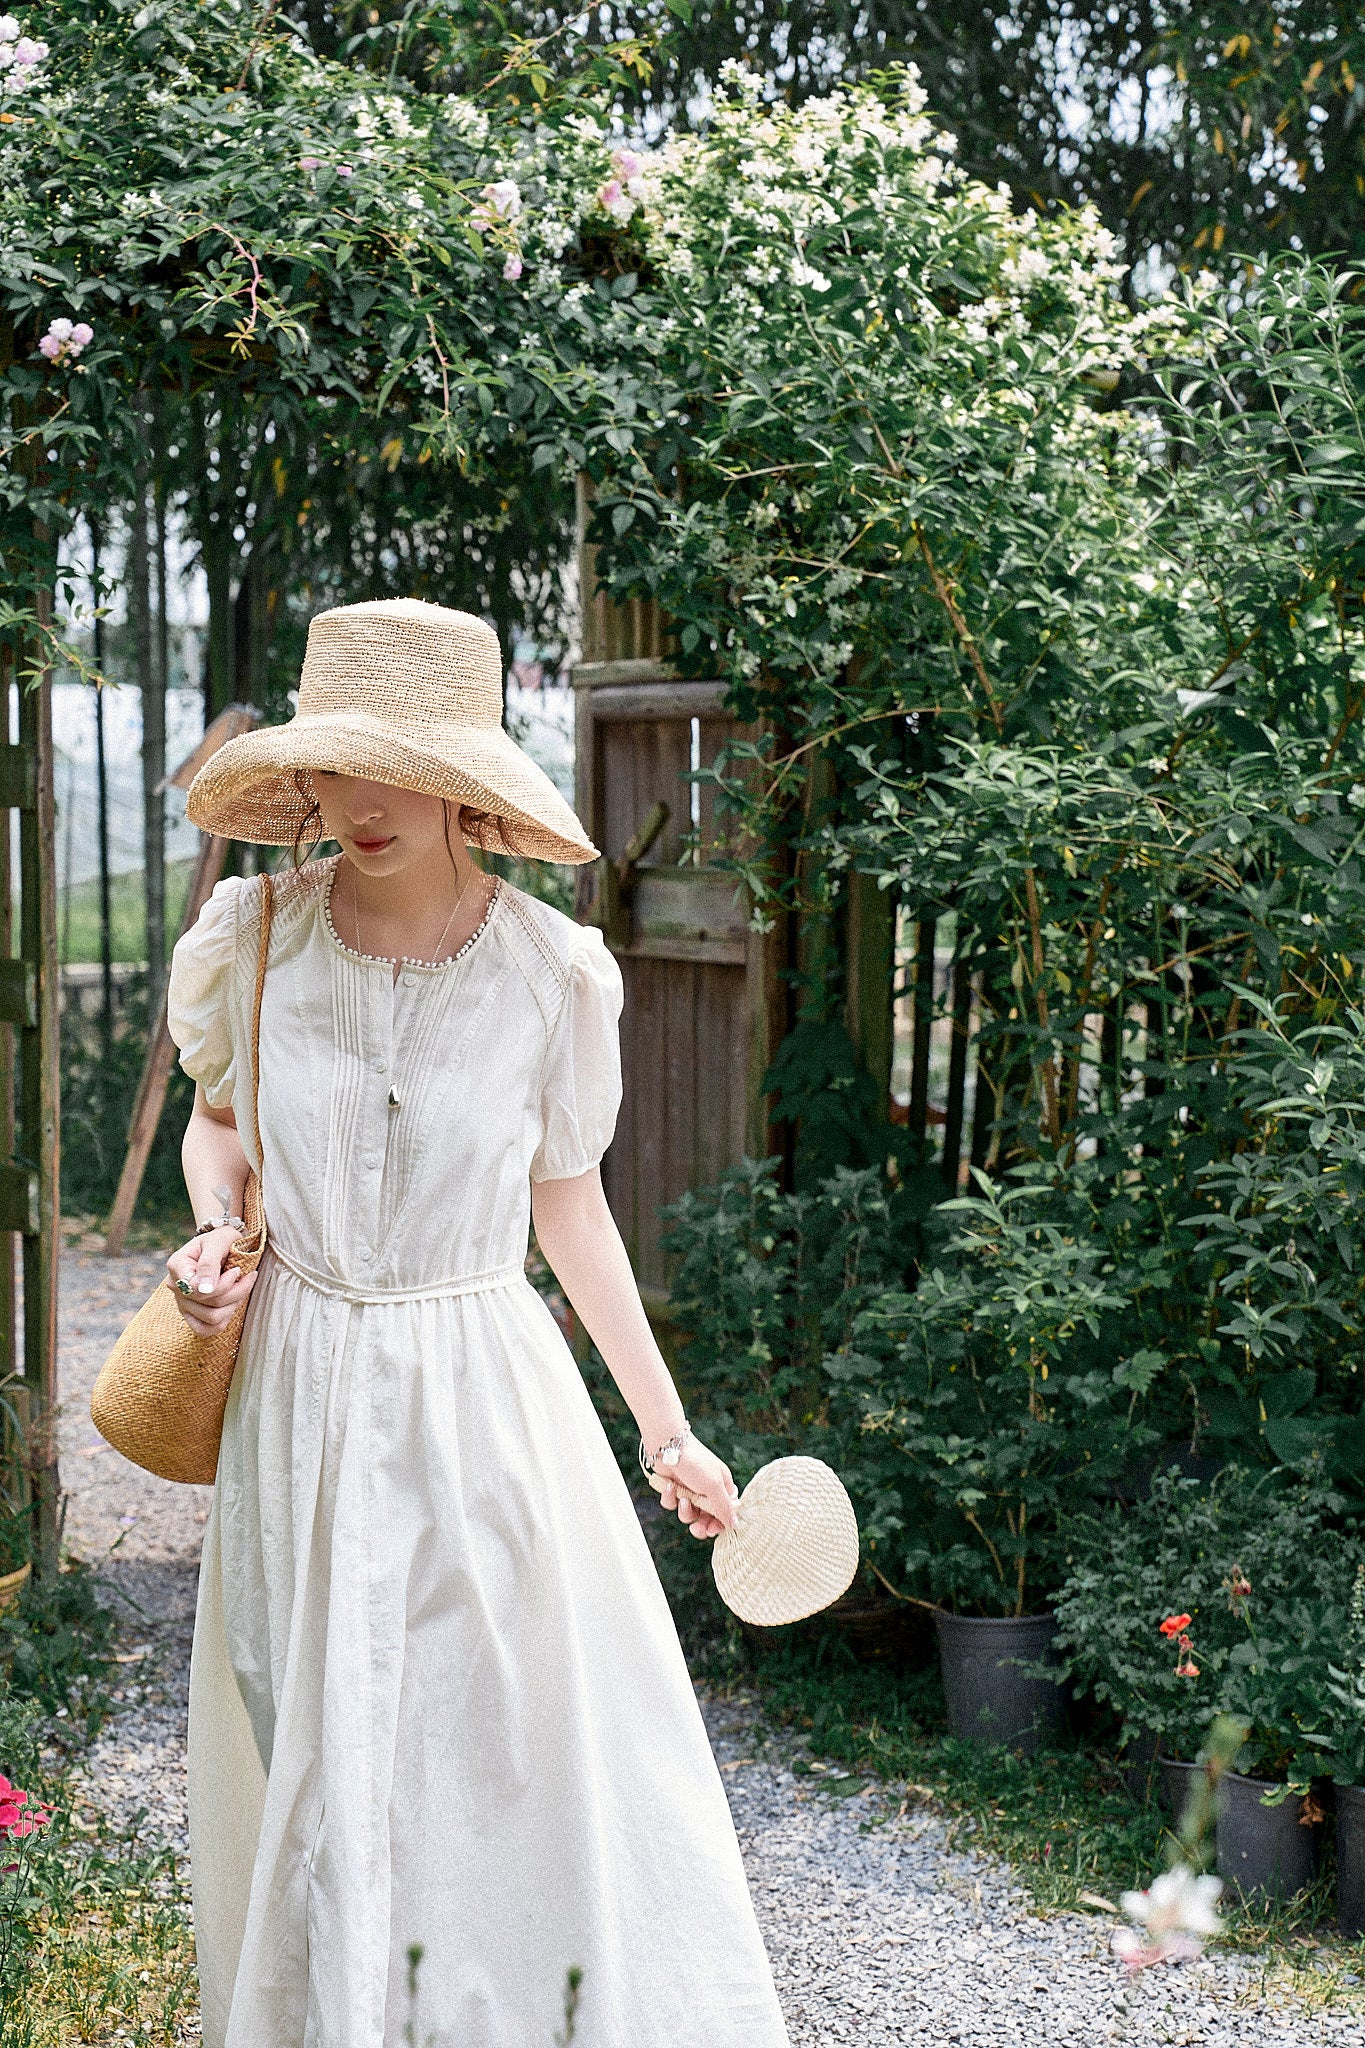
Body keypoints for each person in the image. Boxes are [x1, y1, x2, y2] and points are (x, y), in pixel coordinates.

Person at [162, 600, 792, 2048]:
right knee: (318, 1747)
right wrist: (211, 1231)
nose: (357, 805)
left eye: (395, 767)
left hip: (480, 1397)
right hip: (299, 1392)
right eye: (333, 769)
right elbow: (219, 1128)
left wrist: (668, 1428)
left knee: (483, 1753)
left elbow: (568, 1211)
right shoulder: (252, 937)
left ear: (463, 779)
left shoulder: (548, 973)